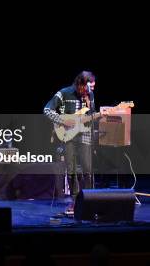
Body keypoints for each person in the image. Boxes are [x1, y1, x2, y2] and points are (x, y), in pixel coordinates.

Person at [44, 71, 96, 215]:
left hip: (84, 134)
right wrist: (62, 120)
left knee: (87, 170)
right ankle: (74, 202)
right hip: (68, 136)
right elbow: (47, 110)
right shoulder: (64, 93)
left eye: (92, 88)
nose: (91, 90)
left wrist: (95, 111)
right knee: (71, 170)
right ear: (81, 84)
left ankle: (90, 200)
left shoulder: (90, 96)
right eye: (89, 87)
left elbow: (91, 115)